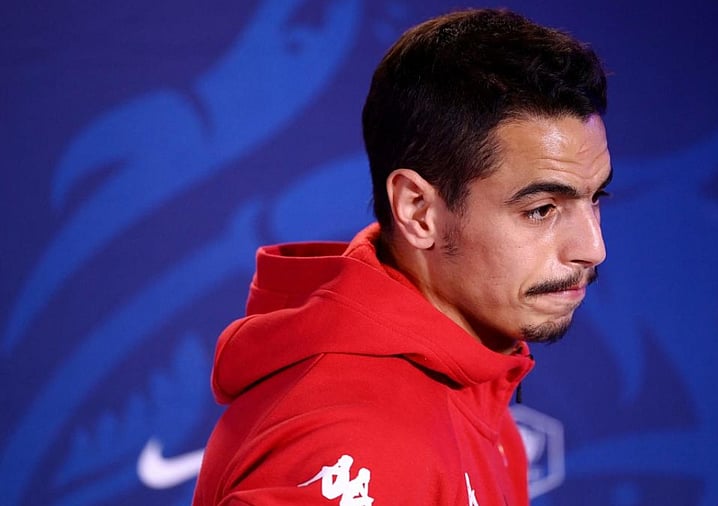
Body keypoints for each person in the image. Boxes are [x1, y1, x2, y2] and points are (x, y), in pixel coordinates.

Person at [193, 7, 610, 506]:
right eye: (541, 210)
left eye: (595, 199)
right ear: (418, 210)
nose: (593, 248)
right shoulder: (356, 439)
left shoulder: (473, 379)